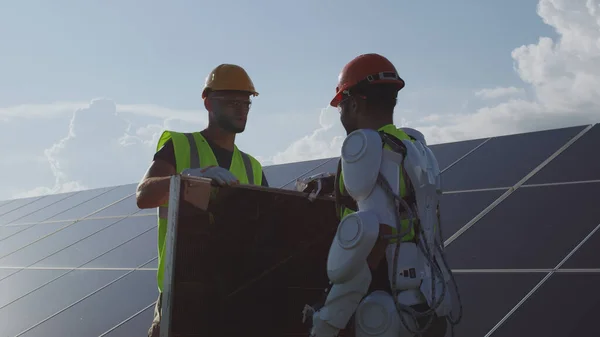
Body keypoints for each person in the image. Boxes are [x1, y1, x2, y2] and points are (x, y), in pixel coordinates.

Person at [304, 54, 458, 337]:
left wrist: (328, 321)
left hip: (383, 311)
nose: (340, 114)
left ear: (353, 102)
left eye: (340, 106)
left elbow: (370, 242)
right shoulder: (414, 147)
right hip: (428, 301)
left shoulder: (367, 150)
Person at [135, 63, 269, 337]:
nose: (241, 108)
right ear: (208, 102)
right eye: (232, 101)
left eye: (246, 102)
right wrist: (185, 181)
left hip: (232, 301)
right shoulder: (180, 146)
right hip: (181, 300)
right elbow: (144, 195)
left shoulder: (252, 167)